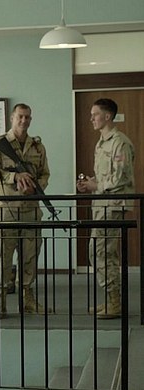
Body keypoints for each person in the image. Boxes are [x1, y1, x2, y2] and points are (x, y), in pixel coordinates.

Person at [0, 103, 50, 319]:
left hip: (30, 209)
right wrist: (15, 177)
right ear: (12, 117)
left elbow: (45, 174)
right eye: (20, 116)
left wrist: (35, 187)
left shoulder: (38, 147)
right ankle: (0, 302)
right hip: (6, 210)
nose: (24, 121)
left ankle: (27, 300)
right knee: (3, 256)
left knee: (30, 256)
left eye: (27, 117)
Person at [76, 98, 135, 319]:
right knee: (100, 251)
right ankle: (111, 298)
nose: (91, 118)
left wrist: (97, 186)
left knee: (102, 252)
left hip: (113, 206)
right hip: (101, 205)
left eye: (95, 114)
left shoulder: (120, 143)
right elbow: (104, 177)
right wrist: (89, 183)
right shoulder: (101, 143)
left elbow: (120, 178)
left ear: (107, 116)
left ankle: (115, 301)